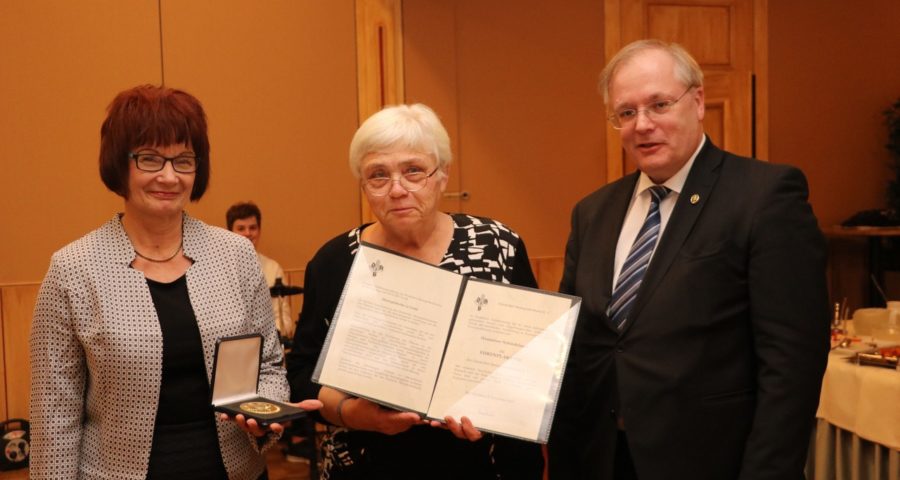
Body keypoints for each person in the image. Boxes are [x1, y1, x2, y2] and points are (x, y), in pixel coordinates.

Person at [548, 40, 830, 480]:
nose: (642, 125)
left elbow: (792, 366)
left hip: (713, 461)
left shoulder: (765, 197)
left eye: (659, 104)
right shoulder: (592, 212)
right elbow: (574, 348)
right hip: (602, 457)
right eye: (626, 113)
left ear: (698, 102)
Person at [29, 85, 321, 480]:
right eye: (150, 159)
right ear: (120, 163)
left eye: (183, 160)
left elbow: (269, 364)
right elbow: (54, 414)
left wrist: (266, 409)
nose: (169, 176)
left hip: (236, 472)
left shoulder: (235, 254)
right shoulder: (74, 269)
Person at [286, 103, 544, 480]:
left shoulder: (497, 245)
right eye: (378, 175)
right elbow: (303, 372)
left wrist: (492, 411)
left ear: (442, 176)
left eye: (413, 171)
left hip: (485, 464)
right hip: (364, 465)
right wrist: (351, 414)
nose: (397, 190)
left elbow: (532, 359)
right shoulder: (334, 263)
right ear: (363, 185)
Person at [227, 201, 295, 341]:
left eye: (253, 228)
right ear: (229, 233)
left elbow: (284, 320)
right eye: (241, 228)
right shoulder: (218, 269)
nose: (248, 233)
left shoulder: (273, 268)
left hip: (267, 345)